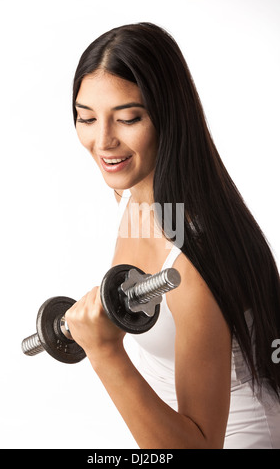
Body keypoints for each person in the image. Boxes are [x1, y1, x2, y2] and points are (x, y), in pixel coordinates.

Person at [65, 22, 280, 449]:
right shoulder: (143, 204)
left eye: (127, 118)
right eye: (86, 117)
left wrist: (105, 353)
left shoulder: (191, 261)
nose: (103, 140)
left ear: (168, 115)